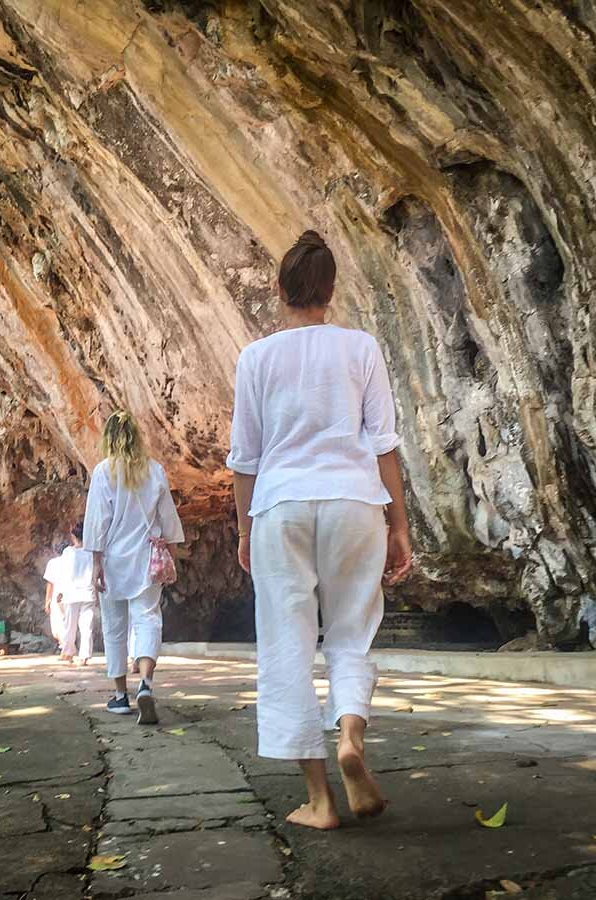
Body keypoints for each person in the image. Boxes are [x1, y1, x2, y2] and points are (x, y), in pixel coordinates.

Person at [228, 230, 414, 831]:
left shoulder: (256, 358)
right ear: (331, 291)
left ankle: (320, 800)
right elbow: (384, 443)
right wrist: (399, 523)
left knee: (286, 644)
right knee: (351, 634)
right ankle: (351, 737)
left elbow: (245, 459)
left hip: (280, 506)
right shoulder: (361, 347)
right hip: (355, 502)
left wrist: (241, 531)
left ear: (281, 291)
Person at [84, 411, 184, 724]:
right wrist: (174, 550)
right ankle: (146, 683)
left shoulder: (104, 471)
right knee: (147, 618)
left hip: (114, 559)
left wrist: (96, 562)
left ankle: (119, 696)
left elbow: (98, 519)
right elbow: (167, 516)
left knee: (115, 627)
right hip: (147, 558)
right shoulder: (154, 470)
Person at [56, 521, 98, 665]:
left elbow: (63, 573)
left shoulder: (68, 552)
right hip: (87, 591)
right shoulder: (91, 552)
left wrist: (60, 591)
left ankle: (68, 652)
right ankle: (84, 656)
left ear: (73, 536)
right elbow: (96, 570)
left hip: (71, 592)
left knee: (70, 624)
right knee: (86, 625)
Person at [42, 547, 67, 656]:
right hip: (70, 595)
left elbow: (50, 583)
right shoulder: (71, 561)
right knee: (67, 624)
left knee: (57, 626)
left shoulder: (52, 563)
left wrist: (47, 600)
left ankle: (66, 647)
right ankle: (66, 646)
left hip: (57, 595)